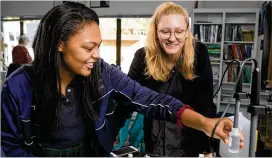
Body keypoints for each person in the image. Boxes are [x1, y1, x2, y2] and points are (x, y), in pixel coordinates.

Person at [1, 2, 244, 157]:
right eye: (88, 48)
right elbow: (11, 147)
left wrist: (205, 123)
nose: (96, 55)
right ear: (60, 44)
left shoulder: (103, 73)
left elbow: (149, 99)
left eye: (98, 46)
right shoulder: (17, 86)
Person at [128, 2, 217, 157]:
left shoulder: (199, 53)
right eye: (165, 31)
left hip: (188, 142)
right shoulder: (142, 56)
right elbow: (127, 96)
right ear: (156, 31)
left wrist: (207, 149)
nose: (172, 38)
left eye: (179, 31)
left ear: (187, 31)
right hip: (154, 141)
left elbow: (206, 103)